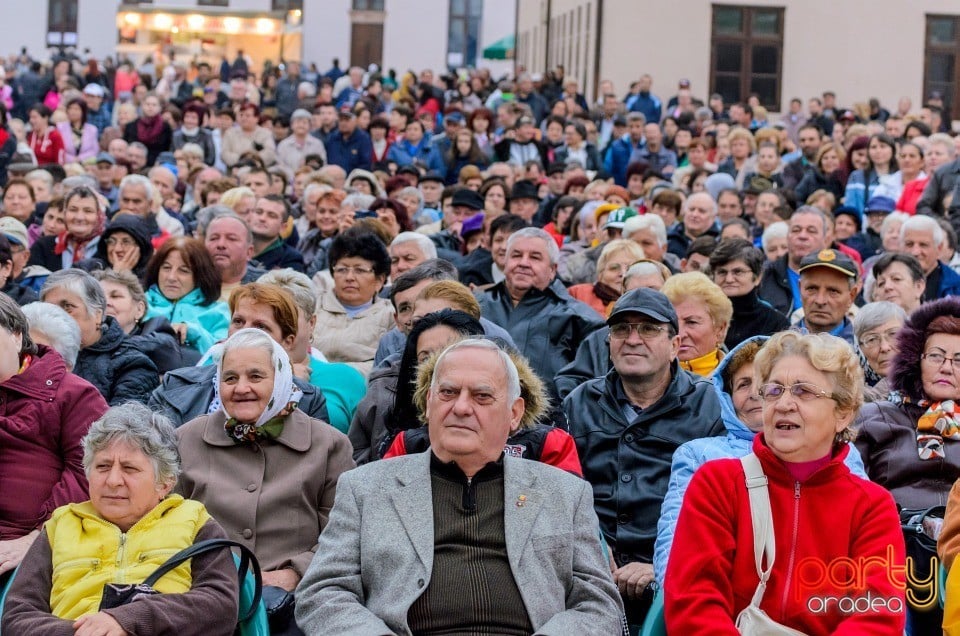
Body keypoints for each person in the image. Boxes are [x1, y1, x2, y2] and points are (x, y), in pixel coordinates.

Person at [294, 337, 625, 634]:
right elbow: (324, 591)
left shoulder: (564, 493)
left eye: (482, 396)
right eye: (448, 393)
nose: (462, 407)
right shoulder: (365, 488)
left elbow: (599, 605)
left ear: (514, 413)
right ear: (427, 403)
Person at [665, 331, 906, 634]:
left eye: (804, 392)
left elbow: (877, 614)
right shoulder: (716, 483)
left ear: (843, 413)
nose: (784, 404)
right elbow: (694, 599)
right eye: (774, 390)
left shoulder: (872, 506)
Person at [3, 402, 238, 634]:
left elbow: (220, 605)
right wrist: (83, 633)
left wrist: (127, 621)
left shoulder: (194, 521)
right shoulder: (61, 525)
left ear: (165, 482)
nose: (113, 480)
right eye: (103, 466)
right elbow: (17, 615)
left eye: (129, 468)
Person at [563, 287, 723, 625]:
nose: (632, 339)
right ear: (608, 342)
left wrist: (662, 565)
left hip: (678, 576)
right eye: (621, 329)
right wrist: (593, 554)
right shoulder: (579, 403)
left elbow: (719, 509)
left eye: (648, 329)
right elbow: (560, 492)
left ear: (675, 345)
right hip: (588, 574)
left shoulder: (710, 405)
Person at [654, 335, 868, 583]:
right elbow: (677, 547)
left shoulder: (839, 452)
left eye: (768, 385)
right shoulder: (700, 457)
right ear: (727, 396)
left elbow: (868, 575)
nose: (757, 393)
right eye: (744, 384)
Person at [176, 328, 354, 628]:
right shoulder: (185, 440)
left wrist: (295, 573)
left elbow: (344, 536)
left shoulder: (328, 445)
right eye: (230, 378)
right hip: (202, 594)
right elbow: (163, 524)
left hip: (298, 599)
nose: (241, 387)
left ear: (282, 379)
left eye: (256, 377)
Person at [0, 294, 107, 576]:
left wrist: (38, 537)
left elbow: (88, 471)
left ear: (16, 335)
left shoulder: (73, 394)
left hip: (34, 542)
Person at [478, 227, 605, 398]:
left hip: (548, 419)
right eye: (516, 255)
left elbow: (594, 384)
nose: (523, 262)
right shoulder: (476, 305)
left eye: (535, 257)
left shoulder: (580, 318)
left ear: (553, 269)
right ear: (505, 262)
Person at [257, 268, 366, 434]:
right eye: (261, 323)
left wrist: (298, 388)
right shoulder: (218, 371)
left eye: (286, 318)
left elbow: (362, 451)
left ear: (312, 323)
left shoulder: (345, 378)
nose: (276, 329)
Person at [40, 269, 158, 406]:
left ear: (97, 314)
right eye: (49, 309)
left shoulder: (132, 364)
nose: (56, 316)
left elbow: (123, 424)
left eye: (67, 307)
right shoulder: (34, 356)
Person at [312, 227, 394, 376]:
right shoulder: (312, 305)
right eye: (342, 269)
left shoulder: (390, 315)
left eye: (360, 270)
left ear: (379, 280)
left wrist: (339, 372)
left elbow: (389, 366)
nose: (349, 277)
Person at [142, 237, 230, 353]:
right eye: (166, 268)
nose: (171, 277)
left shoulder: (219, 313)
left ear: (200, 276)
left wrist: (194, 333)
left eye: (183, 270)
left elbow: (222, 356)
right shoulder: (139, 303)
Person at [92, 268, 188, 374]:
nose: (106, 303)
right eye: (99, 298)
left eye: (115, 296)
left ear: (139, 309)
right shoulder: (82, 343)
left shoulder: (160, 342)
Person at [708, 238, 789, 349]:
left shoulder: (776, 323)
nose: (729, 279)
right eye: (722, 272)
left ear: (757, 277)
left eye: (738, 272)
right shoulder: (704, 317)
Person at [759, 206, 830, 316]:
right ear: (787, 237)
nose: (802, 236)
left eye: (811, 231)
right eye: (796, 230)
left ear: (825, 240)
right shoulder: (764, 275)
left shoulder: (836, 276)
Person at [28, 186, 106, 273]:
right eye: (73, 210)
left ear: (99, 216)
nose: (79, 217)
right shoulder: (43, 246)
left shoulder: (108, 248)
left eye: (88, 211)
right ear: (65, 213)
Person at [567, 239, 646, 317]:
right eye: (614, 268)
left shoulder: (647, 302)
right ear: (600, 273)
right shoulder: (577, 293)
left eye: (630, 268)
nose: (623, 274)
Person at [854, 301, 906, 403]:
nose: (884, 347)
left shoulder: (928, 384)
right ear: (859, 350)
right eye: (872, 339)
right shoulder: (849, 394)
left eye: (893, 334)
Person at [901, 214, 960, 303]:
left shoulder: (956, 287)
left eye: (923, 245)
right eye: (909, 244)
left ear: (939, 248)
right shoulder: (886, 284)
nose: (915, 252)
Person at [87, 214, 154, 280]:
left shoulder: (153, 277)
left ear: (141, 248)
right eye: (112, 241)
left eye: (126, 242)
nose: (117, 249)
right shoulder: (88, 269)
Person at [123, 94, 173, 167]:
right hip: (133, 164)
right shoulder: (131, 126)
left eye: (154, 105)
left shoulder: (165, 127)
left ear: (160, 108)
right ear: (142, 106)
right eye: (147, 104)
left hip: (156, 165)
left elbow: (167, 148)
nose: (150, 107)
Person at [221, 103, 276, 168]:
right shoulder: (230, 133)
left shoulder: (265, 133)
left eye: (247, 116)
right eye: (241, 115)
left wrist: (253, 160)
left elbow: (270, 153)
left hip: (258, 171)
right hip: (235, 170)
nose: (243, 118)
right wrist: (242, 160)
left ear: (257, 118)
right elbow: (224, 154)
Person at [56, 98, 98, 163]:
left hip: (86, 163)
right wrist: (71, 159)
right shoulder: (59, 127)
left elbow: (94, 150)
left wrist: (80, 158)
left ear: (83, 112)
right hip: (65, 163)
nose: (72, 111)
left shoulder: (92, 129)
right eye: (70, 108)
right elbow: (58, 149)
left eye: (76, 109)